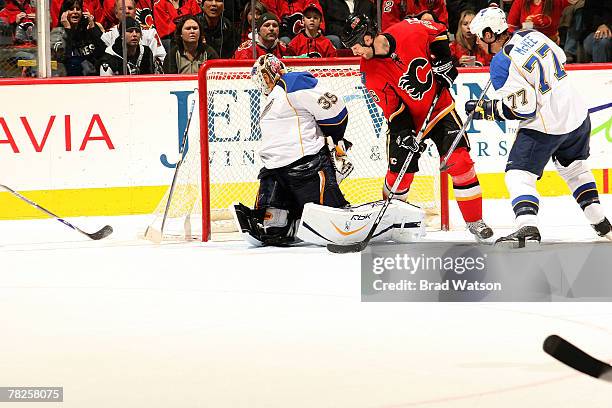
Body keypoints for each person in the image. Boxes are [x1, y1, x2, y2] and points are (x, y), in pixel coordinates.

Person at [466, 7, 612, 246]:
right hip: (576, 114)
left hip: (547, 124)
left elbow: (524, 108)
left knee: (518, 174)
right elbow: (561, 59)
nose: (479, 43)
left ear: (491, 34)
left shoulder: (501, 64)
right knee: (574, 168)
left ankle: (527, 227)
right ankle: (601, 222)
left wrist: (486, 109)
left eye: (480, 37)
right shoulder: (530, 35)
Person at [341, 13, 493, 241]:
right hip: (407, 120)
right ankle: (389, 224)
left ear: (369, 37)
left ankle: (475, 221)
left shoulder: (408, 29)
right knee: (399, 176)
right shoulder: (369, 73)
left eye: (355, 45)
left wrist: (444, 60)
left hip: (439, 109)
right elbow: (392, 109)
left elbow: (439, 31)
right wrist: (404, 133)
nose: (354, 52)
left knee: (460, 161)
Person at [232, 54, 352, 246]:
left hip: (279, 173)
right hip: (300, 171)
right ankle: (303, 218)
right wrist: (335, 138)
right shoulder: (281, 93)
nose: (262, 84)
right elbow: (336, 117)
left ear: (270, 73)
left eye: (262, 78)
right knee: (327, 220)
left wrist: (335, 139)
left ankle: (282, 221)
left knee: (274, 228)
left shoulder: (290, 84)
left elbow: (335, 111)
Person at [101, 0, 166, 72]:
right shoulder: (107, 37)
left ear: (135, 12)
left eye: (130, 8)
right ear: (116, 13)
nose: (127, 11)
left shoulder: (150, 33)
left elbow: (162, 59)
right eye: (122, 9)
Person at [50, 0, 106, 76]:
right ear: (64, 13)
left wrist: (93, 28)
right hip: (70, 76)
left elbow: (103, 52)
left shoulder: (89, 28)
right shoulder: (57, 32)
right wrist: (67, 29)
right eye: (71, 9)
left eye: (78, 9)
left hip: (94, 75)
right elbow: (64, 58)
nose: (75, 12)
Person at [506, 0, 578, 44]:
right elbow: (510, 27)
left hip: (550, 45)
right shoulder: (520, 1)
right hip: (526, 44)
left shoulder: (556, 1)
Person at [381, 0, 448, 32]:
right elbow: (389, 28)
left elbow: (442, 22)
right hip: (403, 38)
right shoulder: (392, 1)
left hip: (430, 38)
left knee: (427, 17)